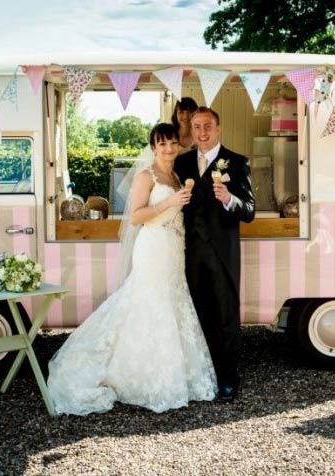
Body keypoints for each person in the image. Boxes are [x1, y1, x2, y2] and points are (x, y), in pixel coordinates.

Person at [48, 124, 216, 415]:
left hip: (174, 248)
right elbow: (136, 216)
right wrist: (170, 201)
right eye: (162, 144)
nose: (169, 149)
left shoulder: (176, 176)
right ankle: (139, 376)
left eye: (173, 143)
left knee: (172, 302)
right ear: (153, 147)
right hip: (152, 248)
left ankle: (173, 372)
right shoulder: (145, 175)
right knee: (149, 302)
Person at [175, 107, 255, 402]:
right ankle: (203, 374)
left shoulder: (236, 162)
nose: (202, 132)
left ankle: (228, 379)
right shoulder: (181, 164)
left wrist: (230, 199)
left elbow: (249, 211)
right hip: (189, 253)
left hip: (222, 253)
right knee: (198, 314)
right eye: (196, 126)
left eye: (207, 126)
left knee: (225, 315)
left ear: (218, 128)